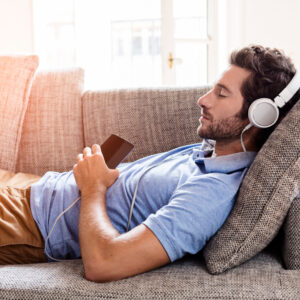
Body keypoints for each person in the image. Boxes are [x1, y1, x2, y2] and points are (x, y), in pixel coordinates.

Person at [0, 45, 299, 283]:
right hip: (33, 184)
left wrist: (93, 188)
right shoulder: (211, 152)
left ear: (259, 116)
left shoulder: (211, 195)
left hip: (31, 222)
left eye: (221, 94)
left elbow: (104, 264)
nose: (203, 100)